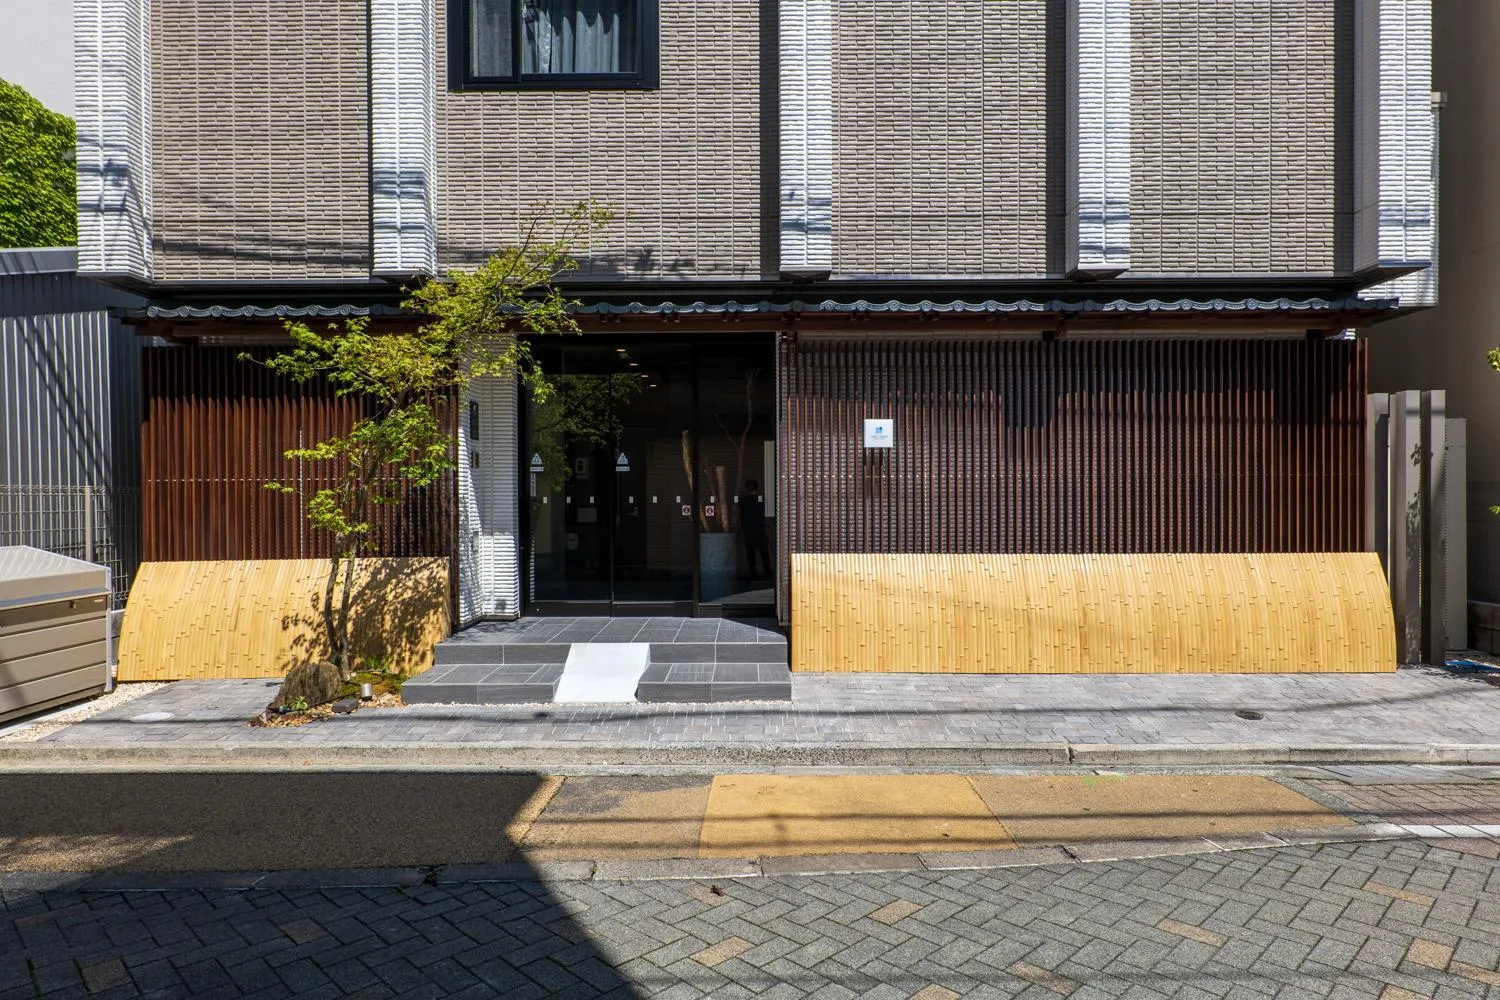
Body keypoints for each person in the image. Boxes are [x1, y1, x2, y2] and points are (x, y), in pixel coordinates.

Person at [737, 479, 772, 579]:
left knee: (754, 552)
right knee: (761, 551)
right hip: (757, 529)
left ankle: (756, 571)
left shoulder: (746, 500)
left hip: (752, 529)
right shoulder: (757, 500)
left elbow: (741, 514)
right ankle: (765, 571)